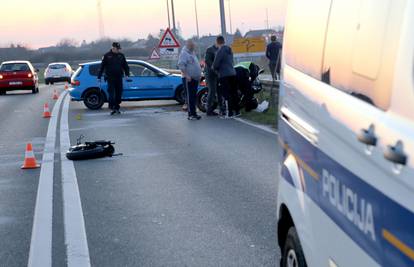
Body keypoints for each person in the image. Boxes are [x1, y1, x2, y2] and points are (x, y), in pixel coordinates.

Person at [98, 42, 130, 115]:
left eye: (119, 49)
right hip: (110, 78)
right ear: (113, 48)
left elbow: (125, 66)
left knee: (119, 94)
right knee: (112, 95)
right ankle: (113, 108)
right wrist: (99, 76)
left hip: (119, 77)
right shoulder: (106, 56)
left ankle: (117, 106)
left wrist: (127, 74)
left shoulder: (121, 55)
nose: (118, 50)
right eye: (117, 49)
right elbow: (102, 67)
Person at [212, 36, 239, 118]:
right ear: (224, 41)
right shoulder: (229, 49)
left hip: (224, 75)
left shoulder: (220, 51)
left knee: (226, 94)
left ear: (217, 42)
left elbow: (215, 64)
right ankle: (237, 111)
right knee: (234, 93)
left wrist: (214, 68)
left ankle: (229, 113)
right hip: (233, 73)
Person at [178, 40, 202, 120]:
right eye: (193, 46)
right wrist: (186, 75)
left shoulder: (192, 53)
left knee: (193, 96)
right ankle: (191, 114)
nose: (194, 47)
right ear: (189, 45)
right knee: (190, 97)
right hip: (188, 79)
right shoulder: (184, 53)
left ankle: (194, 113)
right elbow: (181, 65)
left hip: (194, 78)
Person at [205, 43, 224, 116]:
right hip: (211, 74)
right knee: (212, 91)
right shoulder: (210, 49)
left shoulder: (220, 50)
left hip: (218, 74)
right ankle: (209, 110)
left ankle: (221, 109)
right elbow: (208, 61)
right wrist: (215, 70)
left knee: (220, 91)